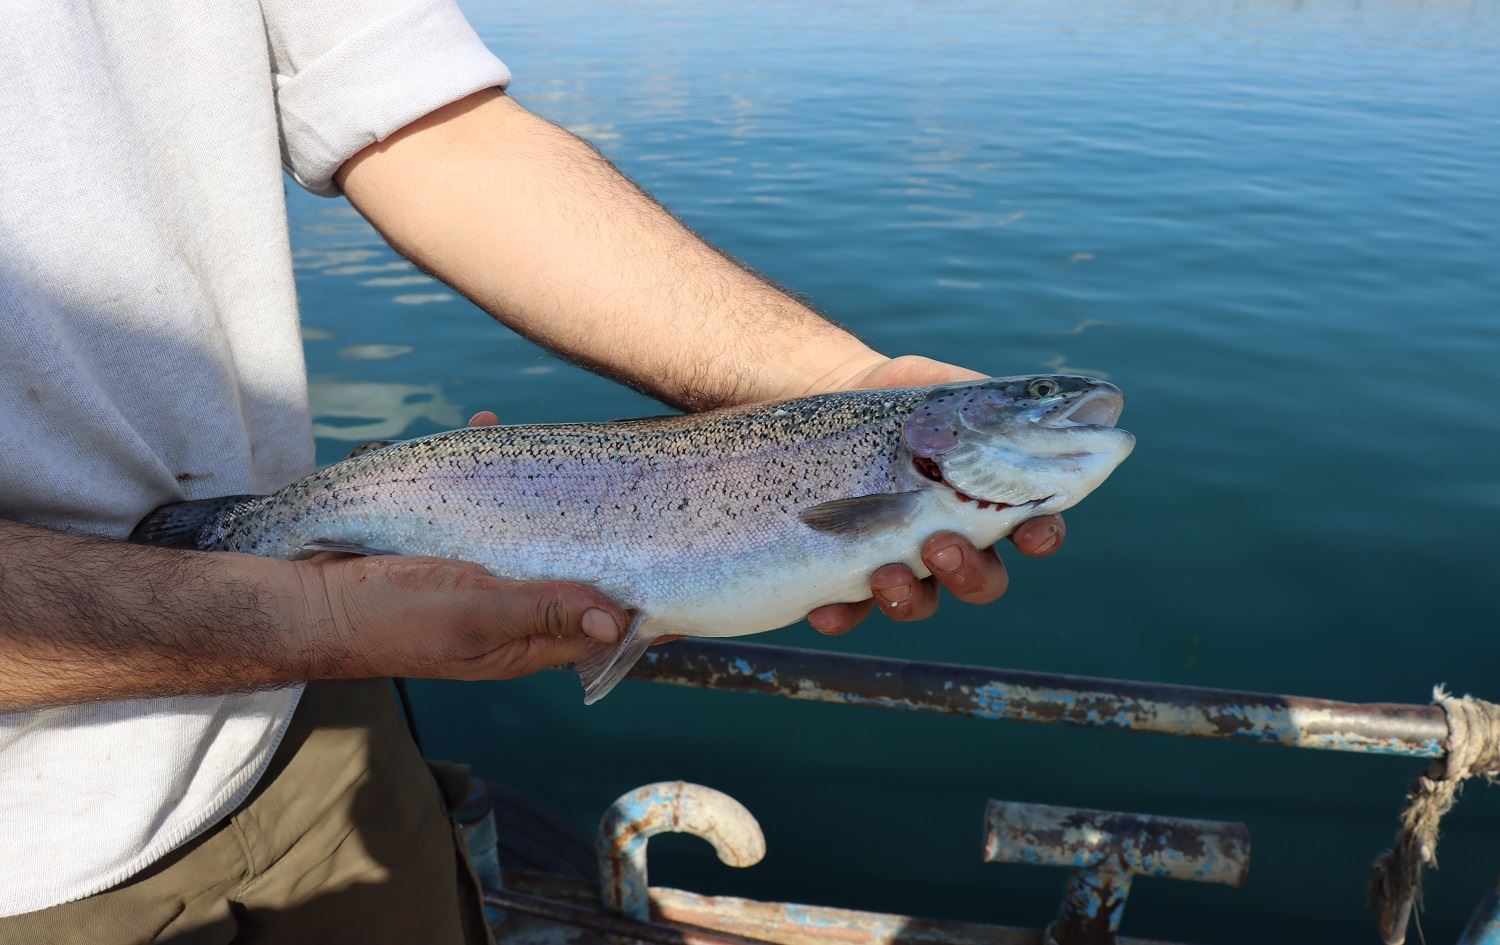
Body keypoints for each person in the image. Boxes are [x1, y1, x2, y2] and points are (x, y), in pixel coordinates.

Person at [0, 2, 1067, 942]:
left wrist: (848, 379)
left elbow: (434, 131)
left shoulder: (907, 449)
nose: (1060, 414)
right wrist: (321, 617)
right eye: (1027, 406)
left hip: (316, 743)